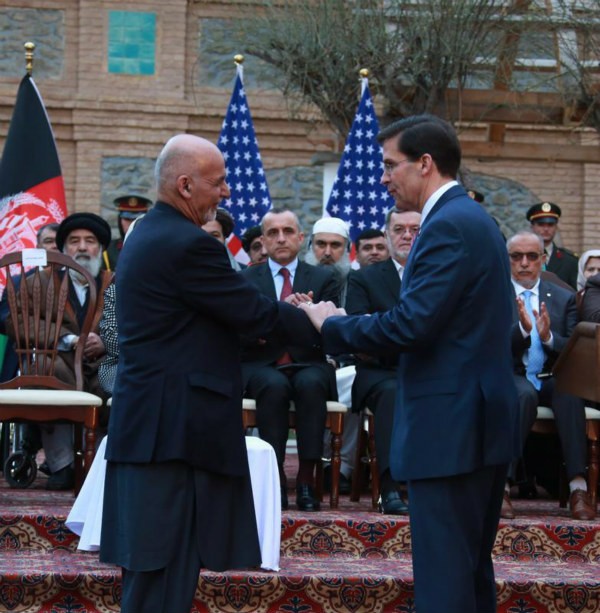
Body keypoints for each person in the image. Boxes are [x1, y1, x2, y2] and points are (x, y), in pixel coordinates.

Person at [299, 114, 519, 613]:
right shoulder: (470, 219)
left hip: (451, 426)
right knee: (467, 576)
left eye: (389, 165)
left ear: (424, 164)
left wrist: (333, 324)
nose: (382, 178)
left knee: (447, 582)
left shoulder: (449, 226)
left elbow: (411, 325)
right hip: (472, 420)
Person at [100, 135, 319, 613]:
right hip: (172, 433)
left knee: (155, 571)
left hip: (154, 427)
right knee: (162, 573)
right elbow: (252, 313)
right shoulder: (188, 244)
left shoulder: (148, 234)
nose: (226, 192)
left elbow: (204, 323)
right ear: (184, 185)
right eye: (218, 182)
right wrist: (321, 322)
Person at [5, 213, 113, 489]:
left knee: (120, 379)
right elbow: (17, 321)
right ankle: (62, 465)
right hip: (59, 361)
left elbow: (133, 324)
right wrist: (68, 339)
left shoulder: (116, 283)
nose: (82, 247)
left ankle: (100, 466)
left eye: (90, 241)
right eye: (74, 241)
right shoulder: (40, 281)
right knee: (46, 372)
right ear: (63, 249)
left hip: (102, 364)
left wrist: (104, 342)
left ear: (101, 248)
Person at [241, 208, 340, 512]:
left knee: (311, 384)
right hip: (262, 364)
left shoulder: (324, 277)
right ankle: (277, 479)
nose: (281, 238)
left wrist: (286, 316)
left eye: (287, 232)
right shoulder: (245, 279)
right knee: (273, 387)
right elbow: (243, 329)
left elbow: (328, 332)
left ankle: (308, 479)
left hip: (309, 361)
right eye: (273, 233)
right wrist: (293, 312)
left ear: (300, 237)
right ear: (263, 240)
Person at [500, 230, 595, 520]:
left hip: (550, 374)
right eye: (517, 257)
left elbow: (575, 348)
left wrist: (548, 337)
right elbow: (489, 346)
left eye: (532, 256)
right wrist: (523, 330)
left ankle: (578, 487)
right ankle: (502, 486)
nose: (524, 263)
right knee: (524, 395)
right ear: (507, 260)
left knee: (569, 392)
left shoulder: (564, 298)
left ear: (543, 259)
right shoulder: (494, 296)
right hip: (512, 374)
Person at [344, 207, 421, 514]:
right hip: (380, 371)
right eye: (399, 229)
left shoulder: (439, 274)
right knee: (392, 393)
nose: (407, 236)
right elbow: (359, 332)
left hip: (428, 368)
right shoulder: (365, 278)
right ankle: (390, 488)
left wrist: (387, 330)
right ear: (388, 236)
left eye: (415, 230)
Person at [527, 201, 578, 290]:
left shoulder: (569, 261)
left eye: (550, 225)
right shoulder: (521, 258)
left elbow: (574, 292)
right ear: (532, 226)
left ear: (556, 227)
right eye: (541, 224)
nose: (546, 229)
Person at [104, 194, 151, 271]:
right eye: (127, 219)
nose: (132, 223)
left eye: (136, 219)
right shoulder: (108, 250)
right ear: (120, 220)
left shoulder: (155, 248)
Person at [201, 207, 243, 271]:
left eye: (214, 235)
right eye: (202, 234)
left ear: (224, 238)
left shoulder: (245, 273)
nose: (208, 240)